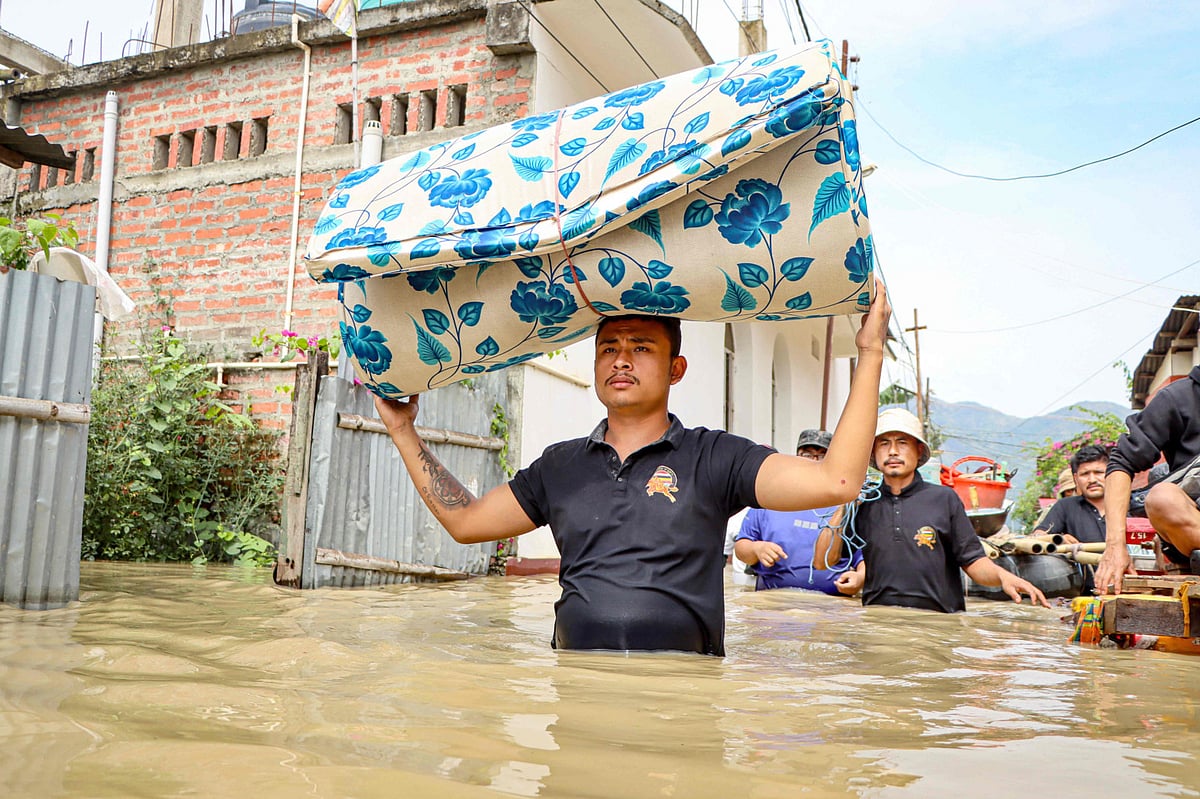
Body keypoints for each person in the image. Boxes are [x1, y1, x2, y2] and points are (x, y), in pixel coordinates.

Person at [373, 283, 891, 656]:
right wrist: (403, 430)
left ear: (676, 369)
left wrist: (868, 355)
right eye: (609, 349)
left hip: (680, 701)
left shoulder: (715, 457)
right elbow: (466, 523)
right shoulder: (561, 466)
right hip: (577, 689)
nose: (621, 360)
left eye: (641, 348)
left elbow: (836, 482)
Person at [834, 408, 1049, 611]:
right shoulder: (863, 503)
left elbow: (973, 561)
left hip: (937, 622)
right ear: (874, 451)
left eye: (902, 442)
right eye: (884, 443)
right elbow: (823, 560)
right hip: (878, 620)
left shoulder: (943, 499)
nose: (892, 451)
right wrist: (843, 502)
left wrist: (1004, 577)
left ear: (919, 450)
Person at [1096, 366, 1200, 594]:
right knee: (1162, 498)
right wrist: (1115, 546)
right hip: (1193, 529)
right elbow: (1121, 462)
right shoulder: (1178, 397)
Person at [734, 429, 863, 595]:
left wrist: (860, 577)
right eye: (807, 455)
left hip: (831, 608)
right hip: (773, 604)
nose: (814, 461)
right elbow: (741, 548)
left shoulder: (847, 504)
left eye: (823, 456)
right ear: (796, 458)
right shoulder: (769, 499)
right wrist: (756, 549)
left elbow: (863, 557)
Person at [1033, 446, 1108, 544]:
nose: (1092, 480)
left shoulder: (1127, 505)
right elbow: (1038, 535)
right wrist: (1057, 539)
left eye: (1098, 472)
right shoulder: (1065, 506)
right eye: (1085, 474)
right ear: (1076, 479)